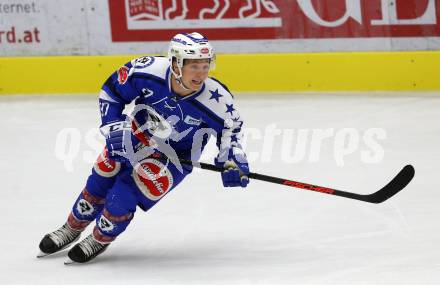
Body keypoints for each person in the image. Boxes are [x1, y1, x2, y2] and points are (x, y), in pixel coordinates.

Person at [37, 32, 250, 264]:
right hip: (136, 136)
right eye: (193, 66)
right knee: (102, 176)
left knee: (122, 197)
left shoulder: (217, 100)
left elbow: (230, 131)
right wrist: (114, 128)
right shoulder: (146, 71)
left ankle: (100, 238)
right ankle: (72, 226)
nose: (200, 73)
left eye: (205, 65)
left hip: (176, 157)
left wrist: (231, 160)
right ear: (176, 63)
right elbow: (112, 91)